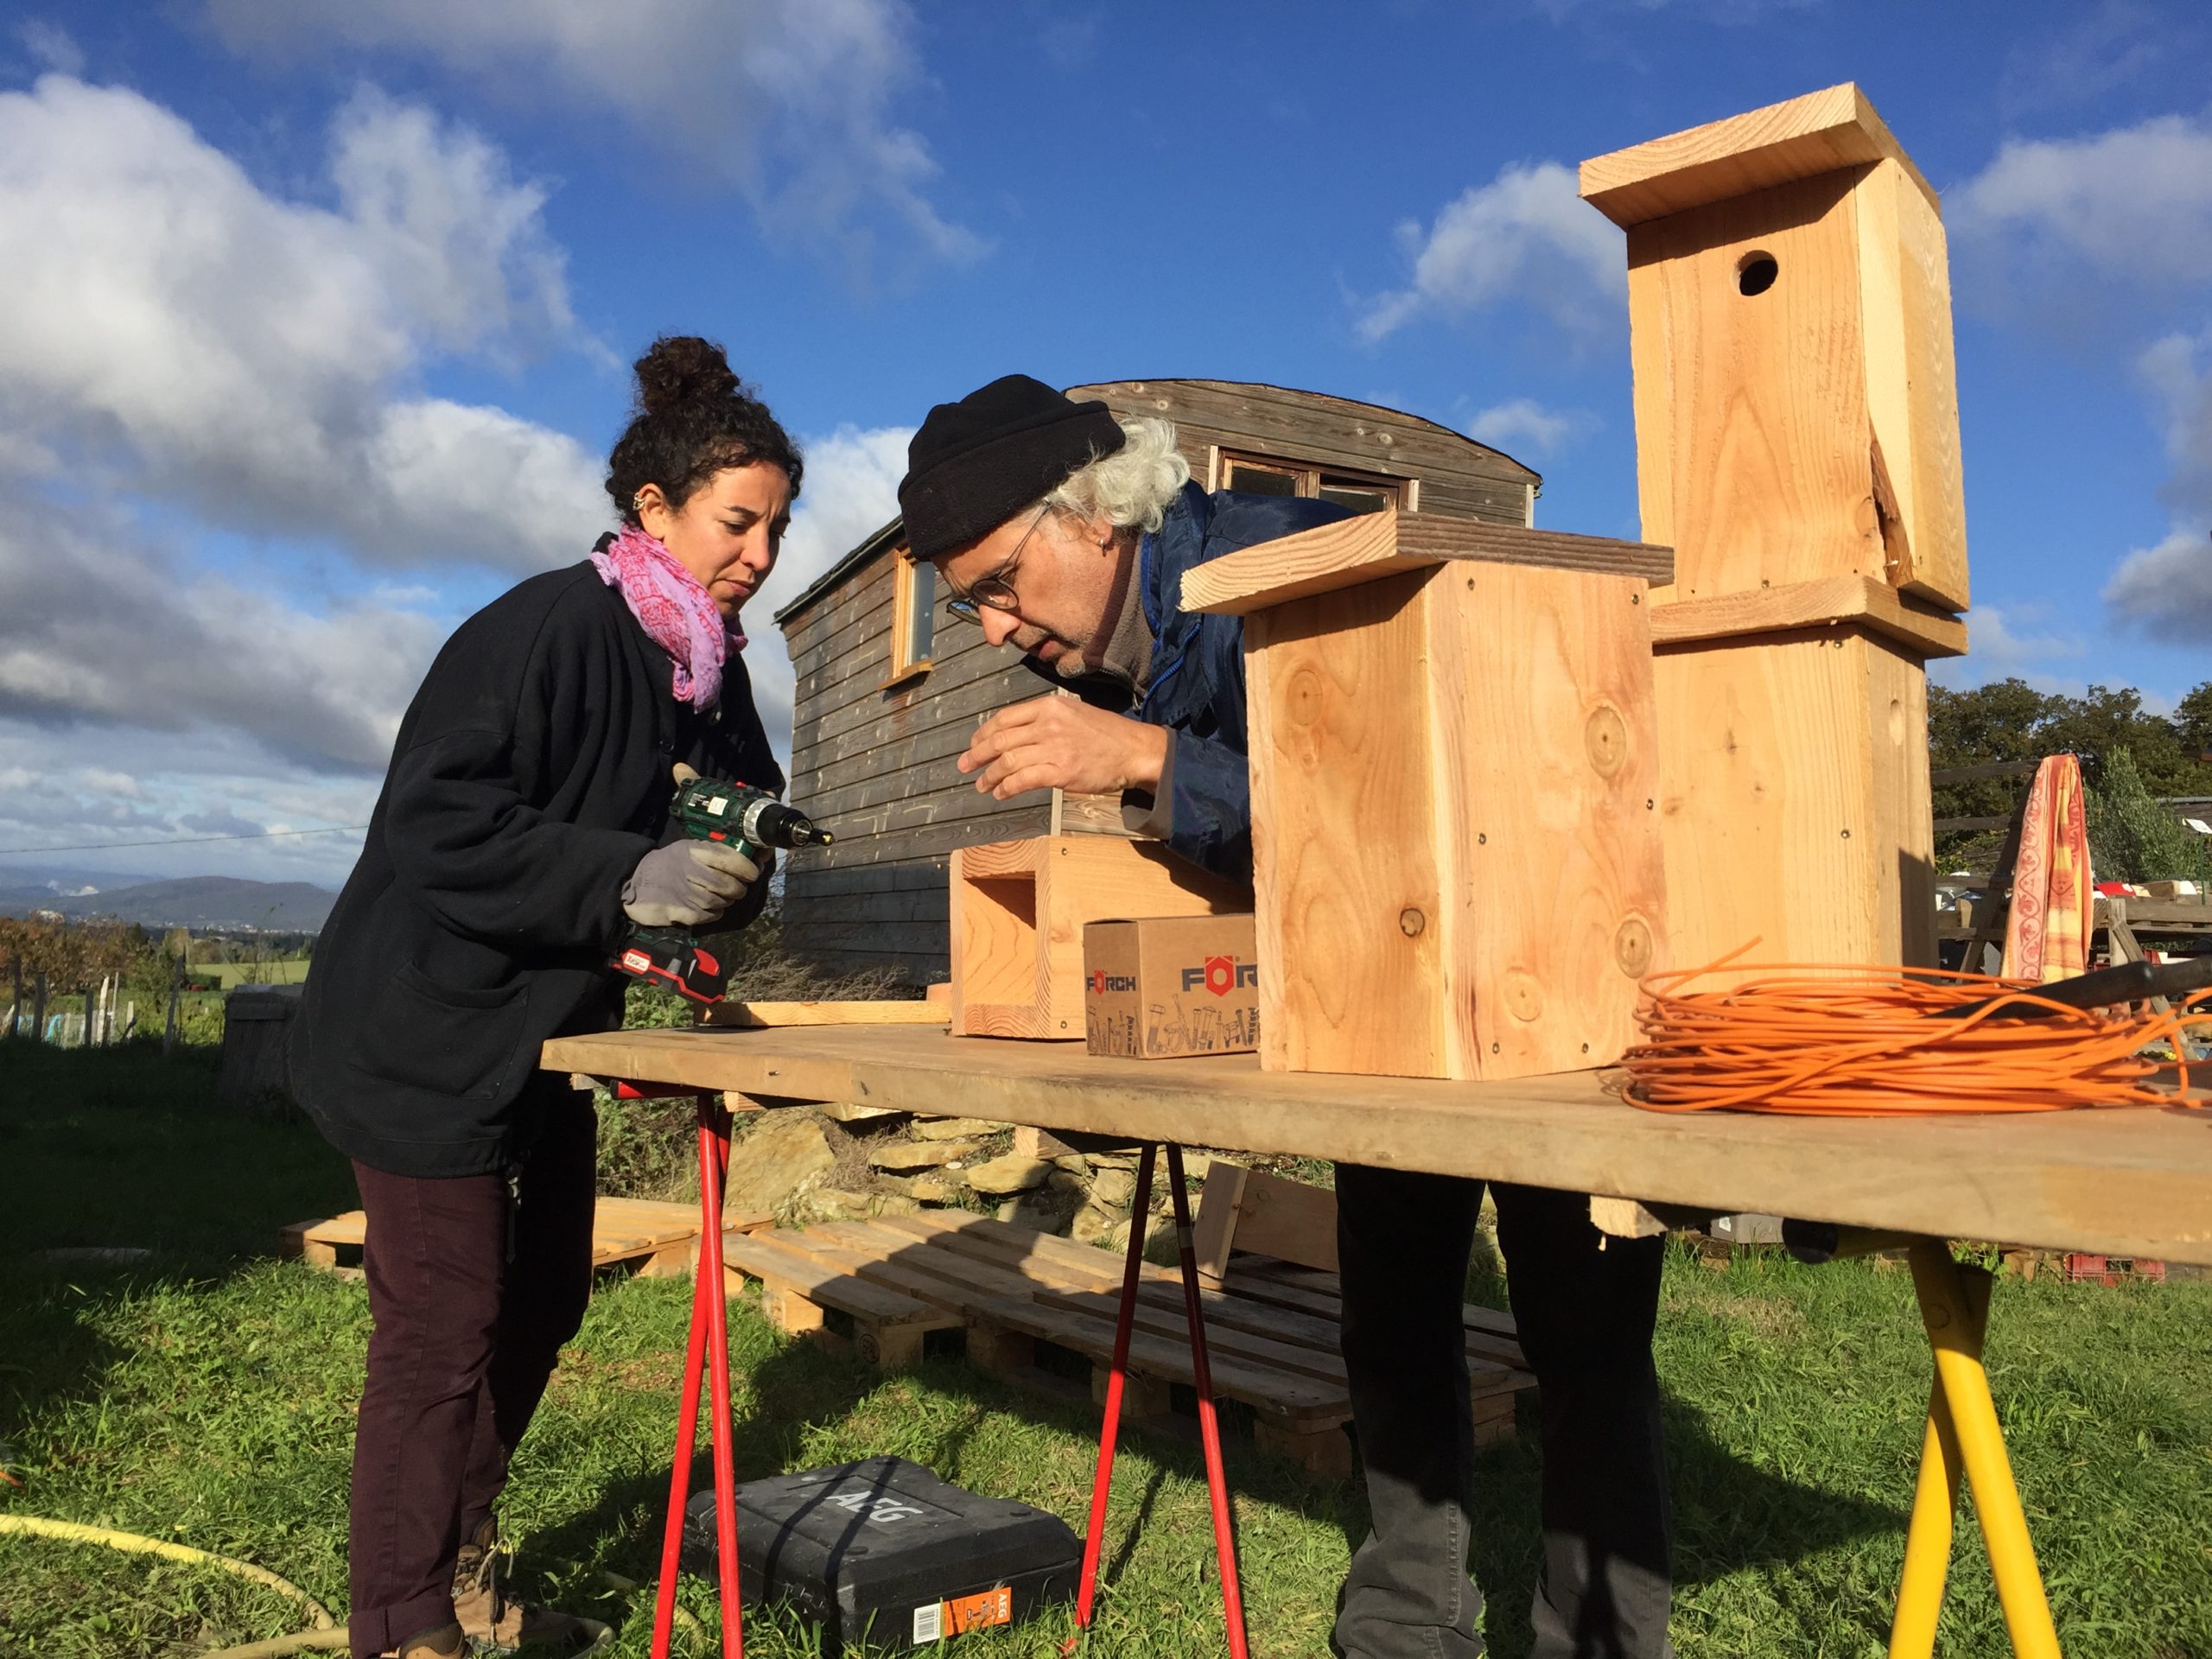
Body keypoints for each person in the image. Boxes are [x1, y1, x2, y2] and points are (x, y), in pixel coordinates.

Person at [898, 375, 1673, 1659]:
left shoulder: (1285, 574)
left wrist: (1150, 766)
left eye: (992, 584)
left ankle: (1599, 1644)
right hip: (1381, 1006)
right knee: (1397, 1320)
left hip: (1557, 989)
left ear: (1090, 519)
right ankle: (1404, 1632)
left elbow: (1405, 809)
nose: (987, 629)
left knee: (1584, 1344)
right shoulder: (1137, 647)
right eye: (964, 602)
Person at [293, 337, 797, 1659]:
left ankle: (455, 1569)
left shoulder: (705, 666)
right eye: (737, 521)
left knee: (547, 1296)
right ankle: (399, 1626)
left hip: (549, 1032)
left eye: (777, 528)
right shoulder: (544, 628)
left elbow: (721, 813)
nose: (759, 550)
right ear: (655, 511)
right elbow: (436, 823)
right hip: (425, 1023)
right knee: (440, 1325)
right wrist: (631, 873)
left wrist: (734, 873)